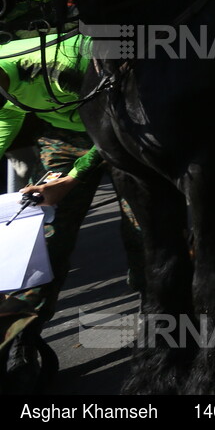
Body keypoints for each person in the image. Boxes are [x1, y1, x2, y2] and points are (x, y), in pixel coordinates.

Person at [0, 34, 141, 390]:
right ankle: (22, 341)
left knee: (144, 235)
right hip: (65, 136)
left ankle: (166, 324)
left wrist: (73, 179)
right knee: (41, 242)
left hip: (127, 128)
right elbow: (8, 118)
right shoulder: (4, 78)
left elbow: (114, 114)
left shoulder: (69, 57)